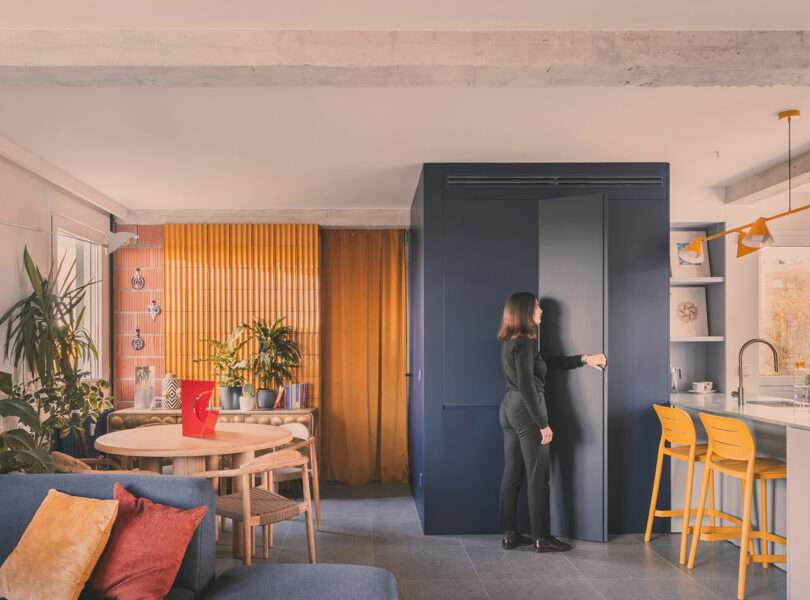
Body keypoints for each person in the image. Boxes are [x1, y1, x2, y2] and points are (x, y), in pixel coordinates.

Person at [497, 291, 606, 552]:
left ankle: (509, 534)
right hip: (526, 410)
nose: (541, 311)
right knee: (538, 475)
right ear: (525, 312)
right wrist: (542, 423)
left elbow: (548, 362)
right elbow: (527, 384)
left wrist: (584, 359)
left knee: (512, 472)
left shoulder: (512, 342)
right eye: (536, 307)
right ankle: (542, 537)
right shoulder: (525, 343)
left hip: (509, 409)